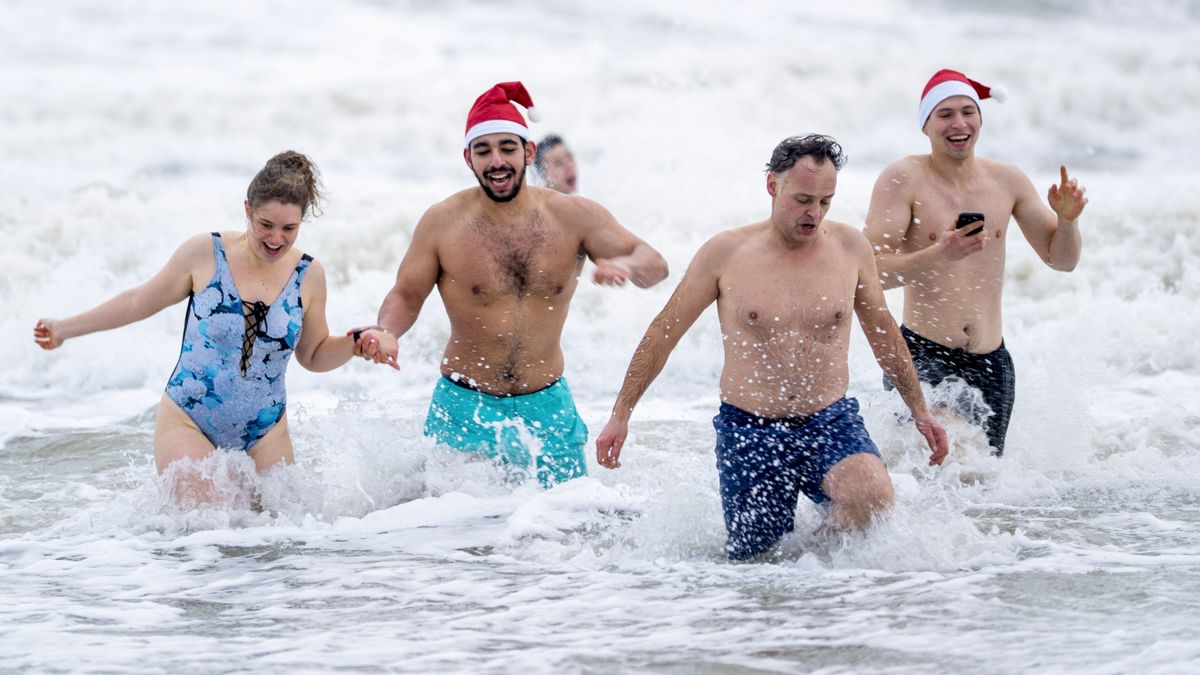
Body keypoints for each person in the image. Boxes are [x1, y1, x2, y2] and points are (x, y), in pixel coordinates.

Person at [594, 135, 948, 561]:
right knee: (759, 565)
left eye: (825, 202)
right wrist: (621, 414)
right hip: (750, 429)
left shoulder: (850, 249)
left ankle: (812, 557)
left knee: (872, 501)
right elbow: (664, 332)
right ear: (772, 186)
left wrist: (920, 410)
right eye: (802, 199)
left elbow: (884, 334)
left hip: (829, 420)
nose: (813, 214)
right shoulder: (726, 254)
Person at [33, 151, 391, 501]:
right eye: (266, 224)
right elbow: (137, 302)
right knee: (207, 530)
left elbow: (313, 355)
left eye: (289, 228)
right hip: (189, 419)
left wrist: (355, 344)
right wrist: (64, 328)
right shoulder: (205, 253)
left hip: (266, 433)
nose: (276, 238)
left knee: (281, 540)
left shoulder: (309, 276)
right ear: (247, 209)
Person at [361, 82, 668, 488]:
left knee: (563, 534)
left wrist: (625, 264)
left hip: (548, 407)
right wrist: (386, 330)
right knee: (457, 544)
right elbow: (406, 293)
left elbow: (656, 264)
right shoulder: (442, 222)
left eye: (507, 148)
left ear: (528, 151)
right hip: (465, 407)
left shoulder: (573, 216)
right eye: (483, 150)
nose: (497, 161)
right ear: (468, 158)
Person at [864, 69, 1087, 456]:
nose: (959, 123)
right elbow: (868, 273)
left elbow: (1061, 260)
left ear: (980, 119)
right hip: (922, 355)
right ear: (926, 125)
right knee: (954, 457)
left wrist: (1068, 220)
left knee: (983, 488)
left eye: (968, 111)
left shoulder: (1008, 181)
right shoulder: (903, 179)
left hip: (992, 362)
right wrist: (939, 255)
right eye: (945, 114)